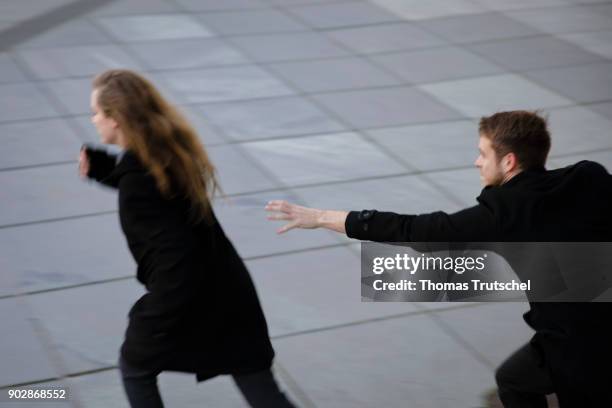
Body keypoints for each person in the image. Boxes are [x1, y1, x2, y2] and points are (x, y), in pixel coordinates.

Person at [265, 110, 612, 407]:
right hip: (590, 317)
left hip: (580, 342)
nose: (476, 161)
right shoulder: (589, 176)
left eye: (482, 153)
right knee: (514, 379)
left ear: (508, 161)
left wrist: (321, 218)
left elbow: (413, 229)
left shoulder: (503, 213)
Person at [79, 69, 296, 408]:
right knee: (259, 385)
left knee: (135, 365)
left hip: (191, 299)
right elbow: (161, 194)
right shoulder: (164, 149)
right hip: (226, 290)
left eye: (96, 112)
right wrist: (106, 170)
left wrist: (150, 316)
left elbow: (175, 256)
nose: (93, 120)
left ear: (117, 118)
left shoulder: (141, 178)